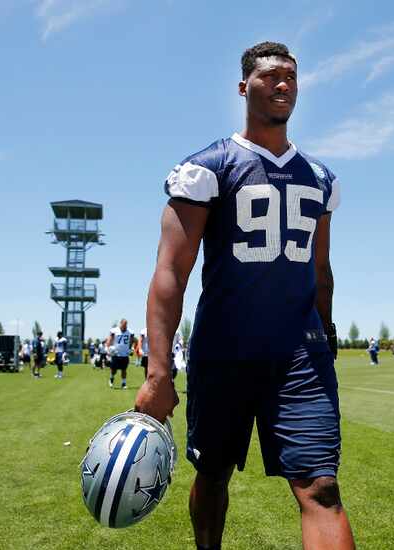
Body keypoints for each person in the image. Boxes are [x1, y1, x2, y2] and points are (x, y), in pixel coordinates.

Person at [134, 42, 354, 550]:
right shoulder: (209, 166)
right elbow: (170, 273)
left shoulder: (320, 178)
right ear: (242, 87)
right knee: (212, 474)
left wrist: (328, 330)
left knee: (321, 487)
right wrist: (158, 372)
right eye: (271, 76)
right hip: (224, 351)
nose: (283, 85)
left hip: (300, 354)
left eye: (292, 78)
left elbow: (321, 271)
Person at [105, 319, 133, 389]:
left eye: (126, 324)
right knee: (114, 370)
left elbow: (131, 341)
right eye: (123, 324)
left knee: (124, 370)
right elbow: (110, 339)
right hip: (116, 353)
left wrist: (130, 349)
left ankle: (123, 383)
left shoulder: (130, 332)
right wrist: (107, 348)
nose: (125, 326)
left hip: (125, 354)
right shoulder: (114, 330)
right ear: (120, 324)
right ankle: (111, 378)